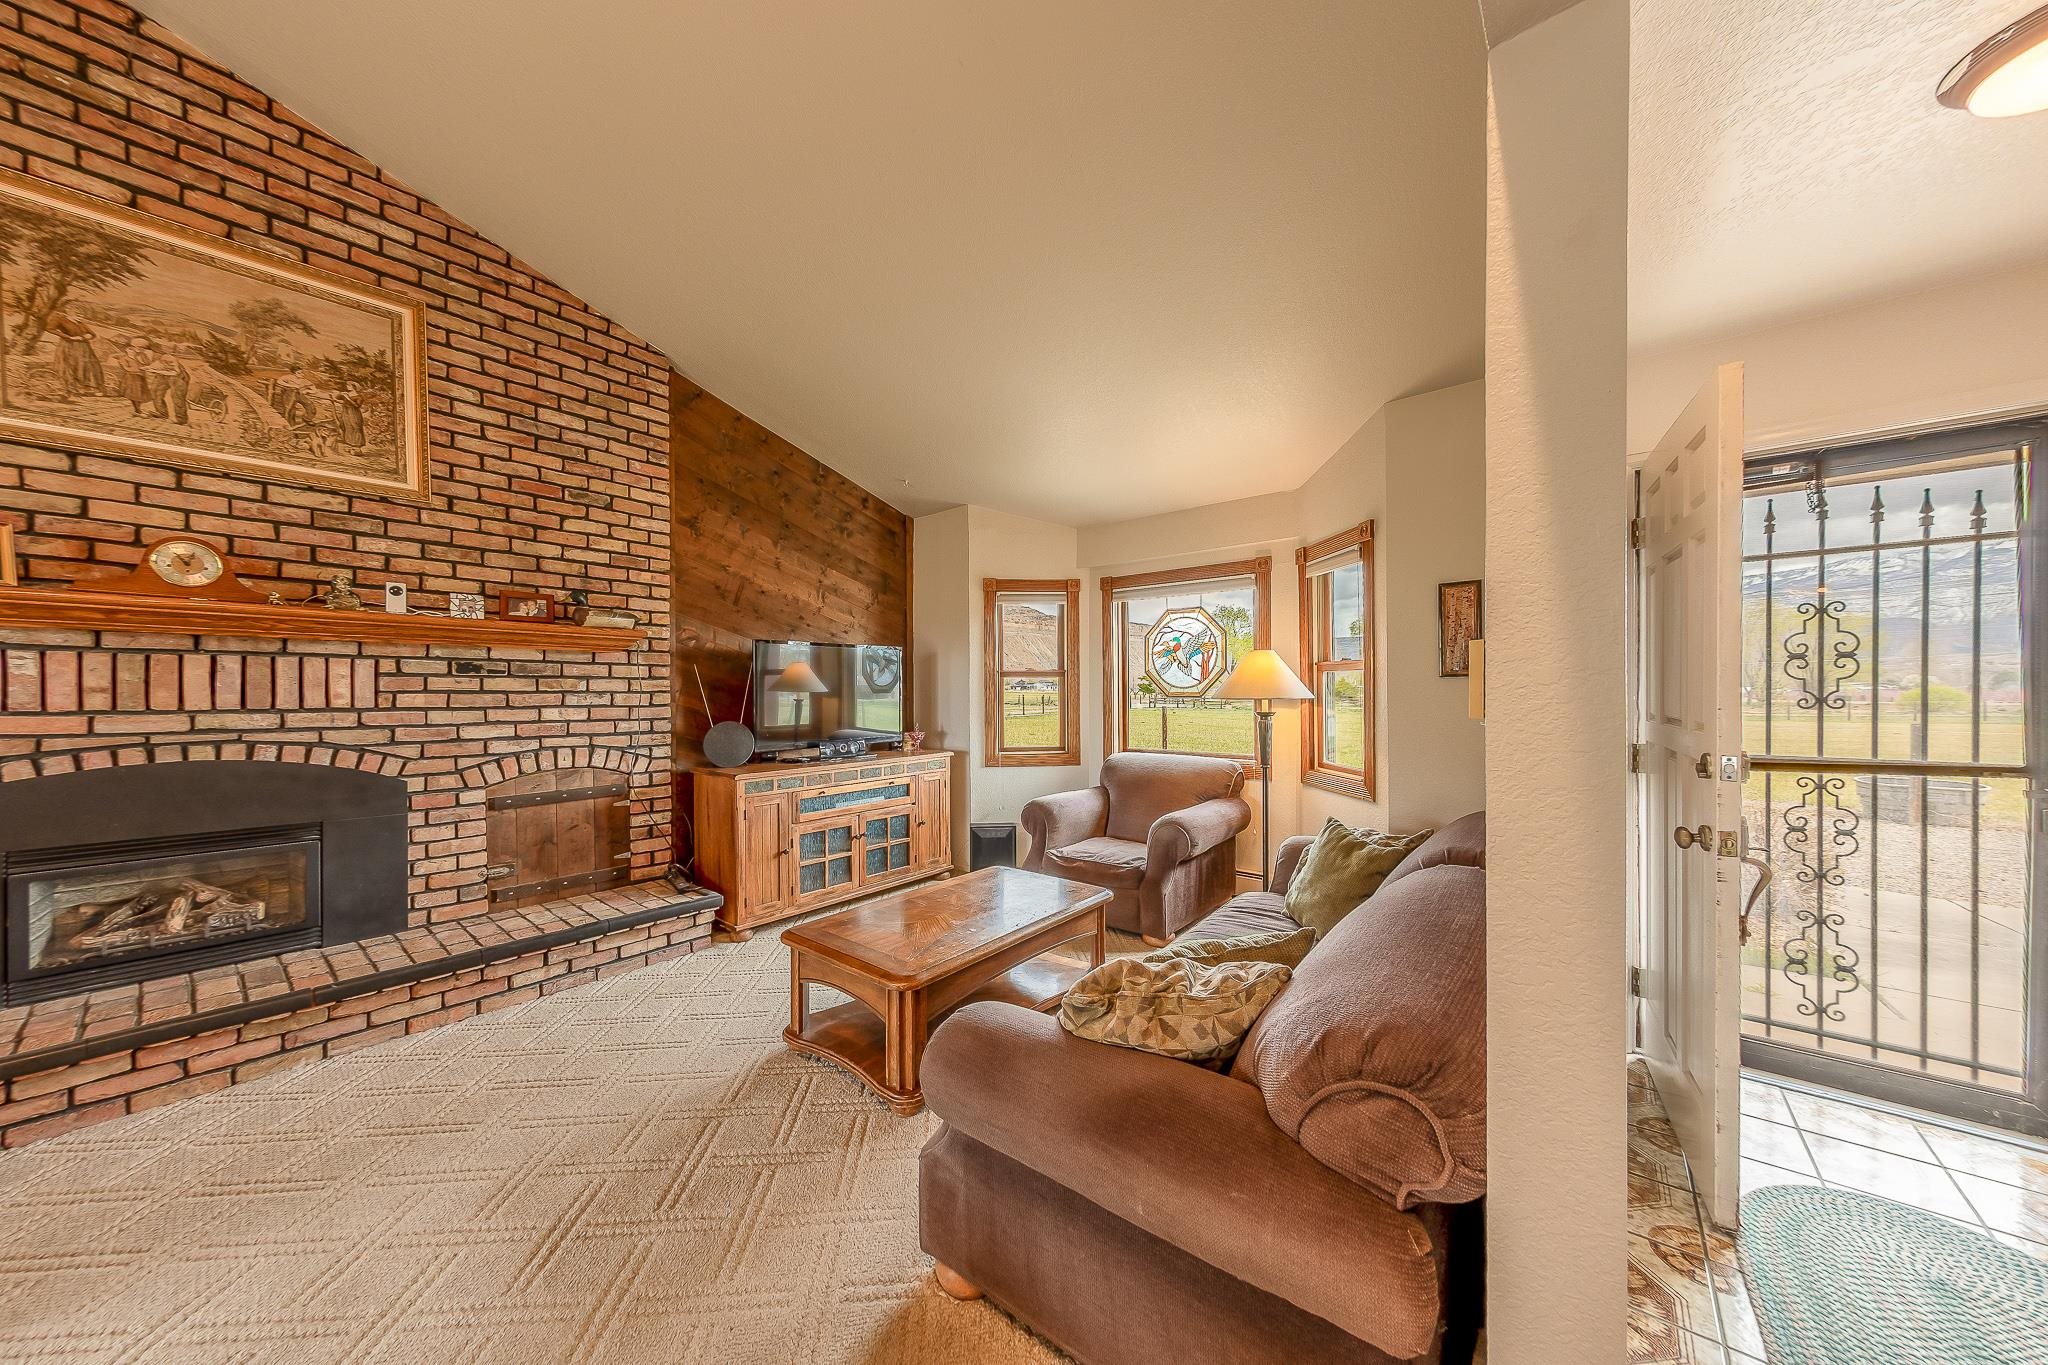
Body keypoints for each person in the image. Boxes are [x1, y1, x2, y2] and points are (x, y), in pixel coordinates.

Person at [47, 311, 102, 397]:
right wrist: (69, 337)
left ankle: (85, 388)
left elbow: (93, 334)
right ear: (70, 313)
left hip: (84, 347)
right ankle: (70, 389)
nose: (81, 317)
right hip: (69, 346)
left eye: (82, 315)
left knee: (87, 365)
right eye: (79, 315)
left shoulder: (80, 323)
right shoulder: (61, 319)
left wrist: (89, 336)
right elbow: (49, 328)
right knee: (70, 366)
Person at [123, 336, 155, 416]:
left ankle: (138, 410)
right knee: (134, 394)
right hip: (132, 378)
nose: (141, 349)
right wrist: (138, 369)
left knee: (141, 394)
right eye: (139, 347)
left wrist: (144, 361)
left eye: (143, 348)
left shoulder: (142, 355)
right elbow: (126, 368)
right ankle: (137, 411)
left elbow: (148, 363)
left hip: (141, 377)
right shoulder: (125, 358)